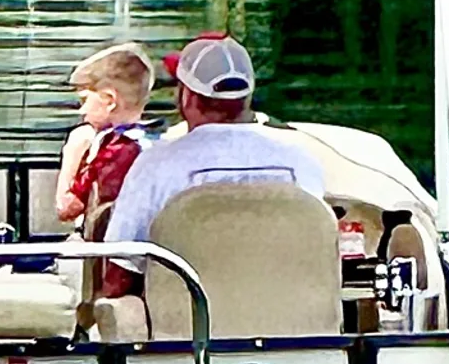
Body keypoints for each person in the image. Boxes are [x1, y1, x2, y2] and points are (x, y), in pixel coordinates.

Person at [98, 34, 327, 297]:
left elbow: (120, 272)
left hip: (185, 330)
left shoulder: (156, 164)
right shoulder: (299, 161)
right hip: (292, 331)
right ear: (247, 97)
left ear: (187, 97)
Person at [54, 43, 157, 233]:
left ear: (109, 100)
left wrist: (73, 151)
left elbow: (67, 208)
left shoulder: (115, 149)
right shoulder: (154, 143)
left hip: (115, 253)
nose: (82, 111)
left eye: (85, 100)